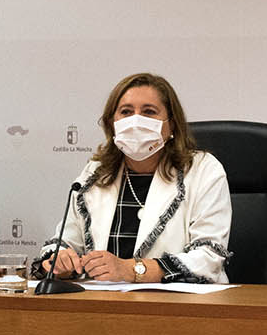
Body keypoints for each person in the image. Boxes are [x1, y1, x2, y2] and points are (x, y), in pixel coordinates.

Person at [33, 73, 231, 284]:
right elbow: (66, 241)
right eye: (126, 112)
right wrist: (61, 261)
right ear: (112, 123)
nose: (136, 121)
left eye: (149, 112)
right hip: (102, 303)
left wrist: (131, 270)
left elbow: (209, 256)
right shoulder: (97, 172)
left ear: (171, 124)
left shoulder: (202, 169)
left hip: (179, 306)